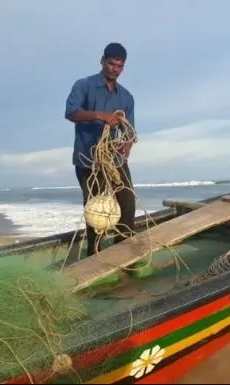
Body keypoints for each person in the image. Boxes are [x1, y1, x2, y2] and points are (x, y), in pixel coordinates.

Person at [64, 42, 137, 256]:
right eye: (111, 64)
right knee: (97, 214)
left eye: (119, 66)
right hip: (88, 160)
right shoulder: (83, 86)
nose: (115, 69)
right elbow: (71, 113)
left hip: (115, 162)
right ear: (102, 61)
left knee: (127, 207)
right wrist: (100, 115)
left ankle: (123, 256)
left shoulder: (126, 97)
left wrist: (126, 146)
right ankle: (93, 257)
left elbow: (130, 131)